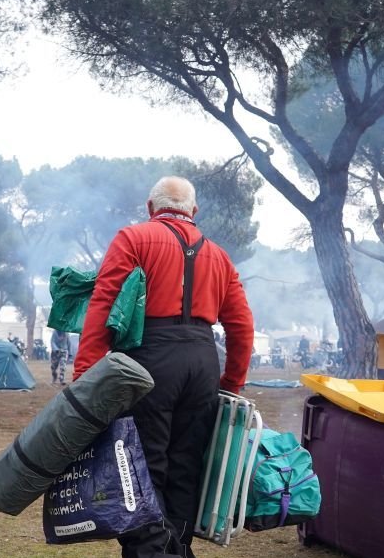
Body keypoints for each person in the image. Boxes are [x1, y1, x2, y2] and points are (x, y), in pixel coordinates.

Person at [73, 176, 254, 558]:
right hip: (204, 361)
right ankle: (178, 548)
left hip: (151, 358)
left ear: (151, 208)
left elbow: (104, 303)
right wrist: (231, 382)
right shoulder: (219, 256)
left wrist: (84, 374)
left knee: (143, 465)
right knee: (187, 465)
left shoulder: (133, 238)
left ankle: (156, 553)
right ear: (194, 212)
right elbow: (242, 325)